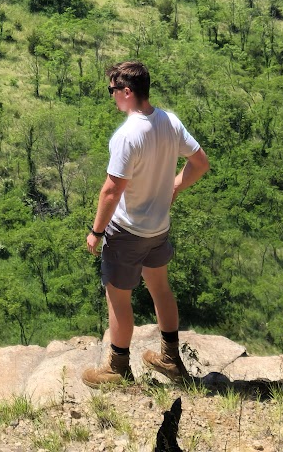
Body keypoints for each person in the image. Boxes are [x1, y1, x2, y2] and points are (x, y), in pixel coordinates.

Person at [81, 59, 209, 386]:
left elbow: (111, 190)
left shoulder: (127, 136)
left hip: (126, 232)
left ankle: (117, 368)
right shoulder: (169, 121)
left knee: (118, 298)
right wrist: (176, 186)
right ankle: (170, 358)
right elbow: (200, 162)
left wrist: (96, 231)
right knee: (161, 290)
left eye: (113, 91)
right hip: (158, 229)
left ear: (127, 92)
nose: (111, 97)